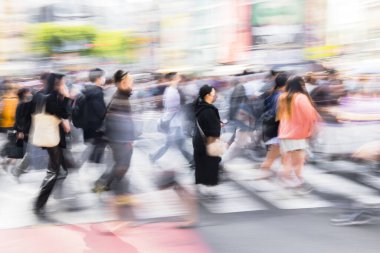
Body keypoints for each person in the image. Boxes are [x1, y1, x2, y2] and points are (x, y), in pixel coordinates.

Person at [30, 73, 72, 216]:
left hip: (49, 136)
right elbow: (65, 113)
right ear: (57, 84)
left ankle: (42, 198)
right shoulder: (52, 97)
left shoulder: (40, 94)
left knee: (55, 169)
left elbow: (55, 114)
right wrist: (66, 97)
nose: (65, 86)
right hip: (52, 138)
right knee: (54, 171)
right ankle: (39, 204)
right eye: (63, 83)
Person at [92, 70, 135, 203]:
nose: (132, 85)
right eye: (130, 82)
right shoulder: (119, 99)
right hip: (119, 139)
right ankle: (118, 192)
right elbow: (118, 122)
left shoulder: (122, 96)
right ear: (122, 83)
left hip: (118, 139)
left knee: (120, 165)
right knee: (122, 165)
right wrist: (127, 139)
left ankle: (102, 185)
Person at [276, 76, 320, 190]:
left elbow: (280, 116)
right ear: (300, 84)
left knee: (288, 159)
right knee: (299, 159)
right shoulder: (301, 97)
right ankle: (297, 181)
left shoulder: (282, 97)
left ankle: (288, 180)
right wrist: (313, 128)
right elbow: (310, 115)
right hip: (297, 134)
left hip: (284, 133)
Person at [149, 72, 193, 167]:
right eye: (177, 77)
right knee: (171, 144)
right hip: (173, 123)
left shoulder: (173, 90)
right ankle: (153, 156)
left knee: (178, 144)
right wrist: (167, 121)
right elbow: (171, 109)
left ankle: (191, 160)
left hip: (175, 122)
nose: (179, 78)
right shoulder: (171, 91)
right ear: (173, 79)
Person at [257, 72, 288, 180]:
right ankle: (264, 175)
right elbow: (278, 115)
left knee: (284, 156)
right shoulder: (280, 96)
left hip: (273, 131)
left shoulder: (273, 94)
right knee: (272, 158)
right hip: (277, 132)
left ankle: (284, 177)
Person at [193, 85, 222, 196]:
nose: (215, 96)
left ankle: (200, 184)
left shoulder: (199, 107)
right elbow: (213, 129)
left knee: (200, 163)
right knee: (212, 162)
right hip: (209, 141)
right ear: (207, 96)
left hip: (198, 140)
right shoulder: (209, 110)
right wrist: (218, 126)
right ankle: (209, 186)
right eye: (213, 94)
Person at [75, 68, 107, 164]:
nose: (104, 79)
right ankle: (91, 165)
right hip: (97, 126)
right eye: (103, 77)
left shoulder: (85, 90)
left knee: (93, 146)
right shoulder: (97, 92)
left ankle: (88, 164)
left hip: (87, 125)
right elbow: (100, 111)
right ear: (98, 78)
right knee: (99, 145)